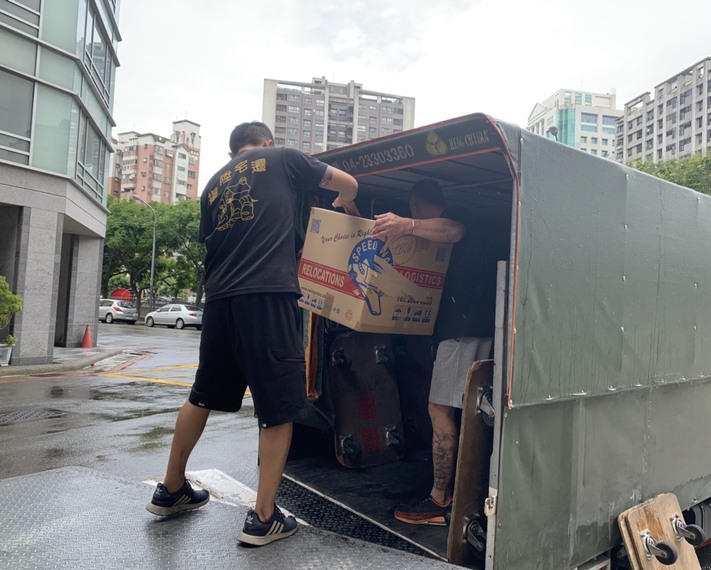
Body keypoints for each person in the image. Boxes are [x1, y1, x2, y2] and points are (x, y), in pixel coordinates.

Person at [146, 121, 359, 546]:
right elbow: (350, 183)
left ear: (232, 153)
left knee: (202, 393)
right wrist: (344, 204)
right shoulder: (283, 158)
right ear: (267, 142)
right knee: (279, 404)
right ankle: (264, 518)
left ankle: (171, 489)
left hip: (220, 298)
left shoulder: (211, 186)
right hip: (268, 293)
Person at [371, 179, 497, 526]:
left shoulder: (454, 218)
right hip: (470, 329)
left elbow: (453, 230)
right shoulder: (436, 230)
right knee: (466, 412)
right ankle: (462, 492)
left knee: (439, 409)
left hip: (461, 332)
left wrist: (405, 225)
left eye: (412, 212)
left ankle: (440, 500)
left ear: (416, 206)